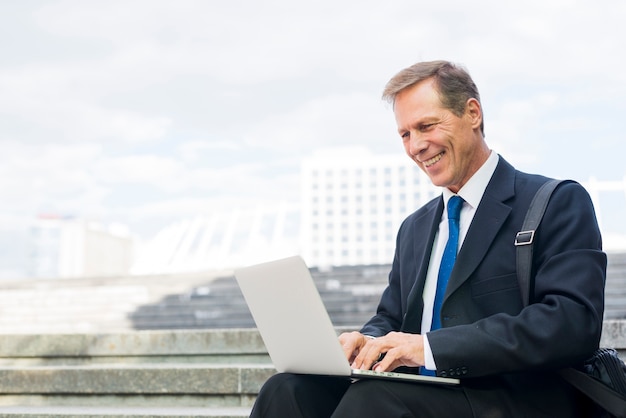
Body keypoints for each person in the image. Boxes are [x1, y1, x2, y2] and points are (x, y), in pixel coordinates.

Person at [249, 60, 607, 417]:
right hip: (421, 393)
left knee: (375, 400)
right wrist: (367, 342)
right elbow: (391, 317)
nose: (416, 146)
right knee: (287, 390)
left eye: (426, 126)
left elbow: (571, 323)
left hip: (512, 397)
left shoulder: (555, 201)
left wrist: (429, 348)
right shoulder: (415, 228)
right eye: (405, 134)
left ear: (472, 113)